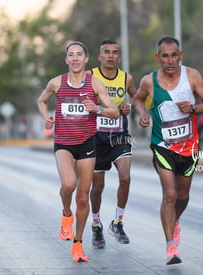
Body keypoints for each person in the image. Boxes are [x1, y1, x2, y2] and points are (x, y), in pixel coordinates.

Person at [132, 36, 203, 265]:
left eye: (174, 55)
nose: (169, 60)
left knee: (183, 195)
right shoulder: (149, 81)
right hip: (162, 145)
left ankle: (175, 220)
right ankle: (170, 247)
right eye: (165, 56)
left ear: (181, 55)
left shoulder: (193, 76)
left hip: (189, 145)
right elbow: (138, 99)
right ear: (157, 57)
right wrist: (143, 114)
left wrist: (194, 107)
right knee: (169, 194)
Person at [36, 41, 118, 262]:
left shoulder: (95, 84)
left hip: (87, 144)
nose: (75, 58)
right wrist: (46, 117)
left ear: (86, 59)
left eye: (79, 54)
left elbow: (115, 112)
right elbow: (41, 100)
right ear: (66, 60)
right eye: (71, 55)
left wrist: (98, 109)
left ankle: (78, 244)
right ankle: (65, 214)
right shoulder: (56, 82)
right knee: (69, 185)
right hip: (63, 143)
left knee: (83, 198)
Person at [89, 39, 137, 249]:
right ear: (100, 57)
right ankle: (97, 223)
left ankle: (117, 222)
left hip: (119, 135)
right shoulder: (90, 76)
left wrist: (129, 106)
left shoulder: (126, 78)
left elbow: (137, 97)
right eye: (106, 52)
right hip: (96, 137)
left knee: (125, 177)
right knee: (98, 186)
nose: (110, 56)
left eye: (114, 52)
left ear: (119, 57)